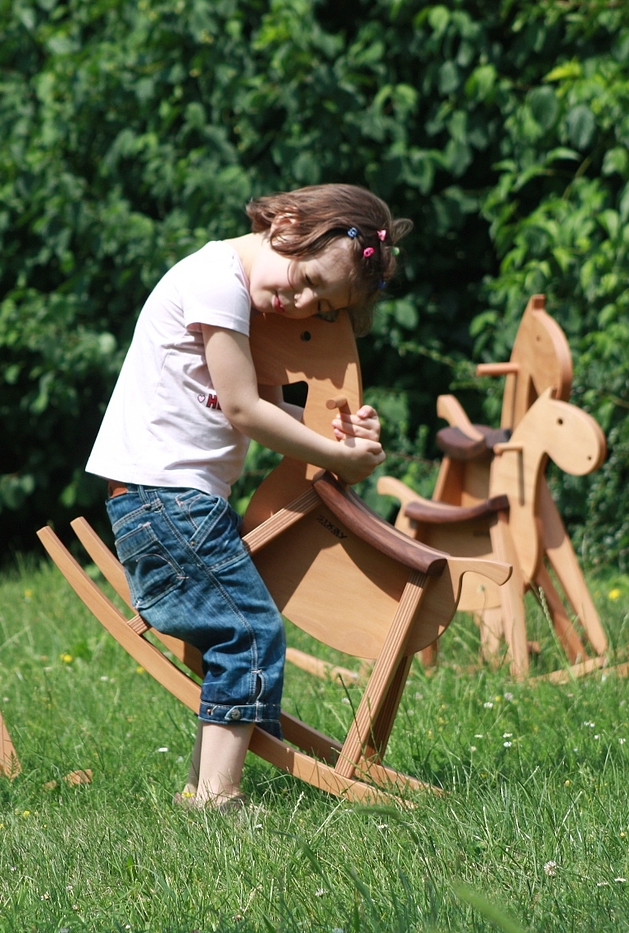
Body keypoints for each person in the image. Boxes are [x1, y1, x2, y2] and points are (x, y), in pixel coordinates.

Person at [85, 184, 412, 810]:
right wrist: (338, 457)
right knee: (249, 633)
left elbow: (290, 410)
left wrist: (347, 436)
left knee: (233, 631)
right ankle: (217, 799)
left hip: (175, 499)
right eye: (308, 279)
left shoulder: (242, 294)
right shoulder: (216, 282)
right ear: (286, 225)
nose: (302, 302)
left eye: (321, 304)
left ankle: (200, 790)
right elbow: (242, 407)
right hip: (165, 499)